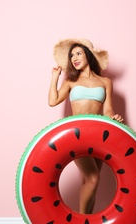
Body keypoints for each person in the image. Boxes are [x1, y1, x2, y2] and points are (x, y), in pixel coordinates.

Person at [48, 38, 124, 214]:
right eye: (72, 55)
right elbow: (53, 101)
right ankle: (81, 223)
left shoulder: (105, 82)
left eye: (78, 53)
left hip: (99, 134)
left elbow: (108, 110)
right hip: (77, 134)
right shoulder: (70, 81)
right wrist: (54, 78)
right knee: (93, 177)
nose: (74, 58)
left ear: (88, 55)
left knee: (90, 182)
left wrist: (115, 117)